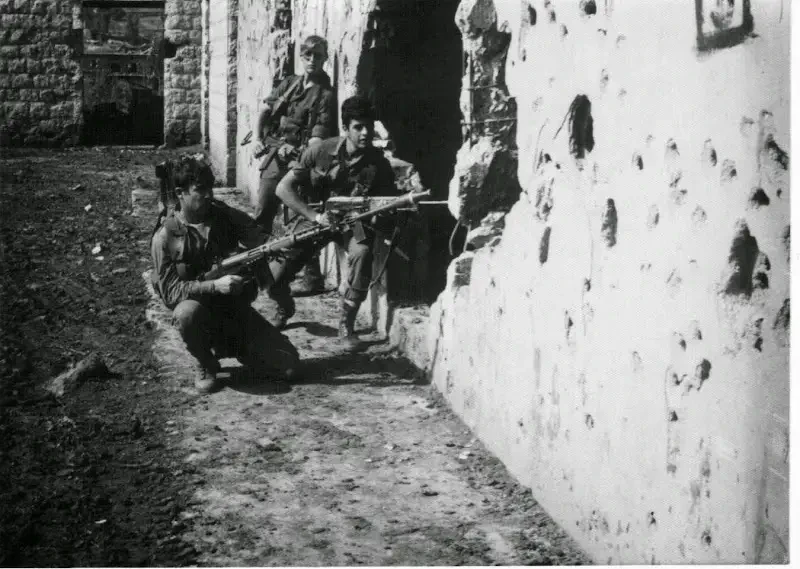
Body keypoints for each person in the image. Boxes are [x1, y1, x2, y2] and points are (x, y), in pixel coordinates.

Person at [151, 154, 300, 394]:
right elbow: (170, 292)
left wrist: (283, 244)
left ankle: (241, 349)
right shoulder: (165, 236)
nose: (208, 195)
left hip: (235, 311)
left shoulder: (224, 214)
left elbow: (259, 238)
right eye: (200, 189)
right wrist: (214, 285)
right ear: (181, 193)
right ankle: (206, 362)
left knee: (290, 368)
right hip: (200, 315)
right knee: (185, 314)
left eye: (210, 188)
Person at [268, 96, 398, 348]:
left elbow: (386, 206)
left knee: (362, 253)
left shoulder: (378, 164)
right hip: (316, 219)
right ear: (346, 128)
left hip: (353, 224)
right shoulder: (320, 151)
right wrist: (315, 216)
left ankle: (346, 324)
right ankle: (284, 306)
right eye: (358, 127)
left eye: (369, 127)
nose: (365, 133)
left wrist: (382, 212)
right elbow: (283, 189)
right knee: (274, 273)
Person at [252, 35, 336, 294]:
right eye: (308, 55)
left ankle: (311, 277)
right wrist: (257, 139)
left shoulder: (325, 95)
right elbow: (265, 112)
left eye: (318, 56)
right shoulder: (289, 84)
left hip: (301, 161)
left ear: (325, 59)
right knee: (263, 211)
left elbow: (317, 141)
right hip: (275, 155)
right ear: (301, 56)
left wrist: (298, 154)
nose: (312, 60)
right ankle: (255, 267)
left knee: (301, 218)